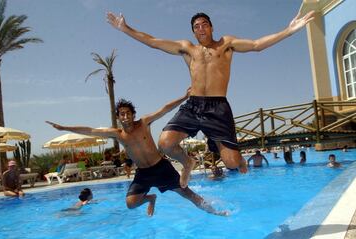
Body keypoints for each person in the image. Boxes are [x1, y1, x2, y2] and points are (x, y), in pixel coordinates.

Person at [106, 10, 315, 187]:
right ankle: (188, 163)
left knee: (231, 163)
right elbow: (153, 42)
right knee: (165, 143)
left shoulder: (226, 44)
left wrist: (289, 31)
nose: (201, 29)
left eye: (204, 25)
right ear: (193, 32)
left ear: (212, 27)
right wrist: (126, 28)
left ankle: (239, 160)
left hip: (218, 108)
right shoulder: (187, 49)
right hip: (194, 105)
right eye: (196, 27)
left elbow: (257, 44)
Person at [46, 89, 227, 216]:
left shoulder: (144, 123)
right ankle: (151, 198)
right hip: (143, 174)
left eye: (127, 113)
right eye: (121, 114)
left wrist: (184, 97)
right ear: (118, 117)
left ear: (133, 114)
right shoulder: (117, 134)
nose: (125, 117)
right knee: (130, 204)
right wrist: (64, 127)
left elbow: (164, 109)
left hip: (160, 168)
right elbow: (90, 130)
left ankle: (216, 211)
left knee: (188, 194)